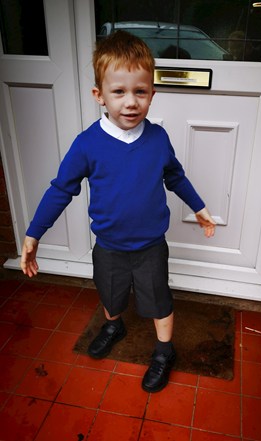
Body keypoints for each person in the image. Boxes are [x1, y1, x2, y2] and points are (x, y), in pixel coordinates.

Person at [20, 30, 216, 393]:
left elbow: (175, 176)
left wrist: (200, 208)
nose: (130, 102)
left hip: (150, 246)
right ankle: (114, 325)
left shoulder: (157, 139)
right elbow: (61, 189)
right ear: (99, 96)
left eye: (140, 92)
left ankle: (163, 351)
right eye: (119, 92)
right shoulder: (87, 145)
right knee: (110, 295)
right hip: (108, 245)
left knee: (158, 301)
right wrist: (33, 234)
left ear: (152, 94)